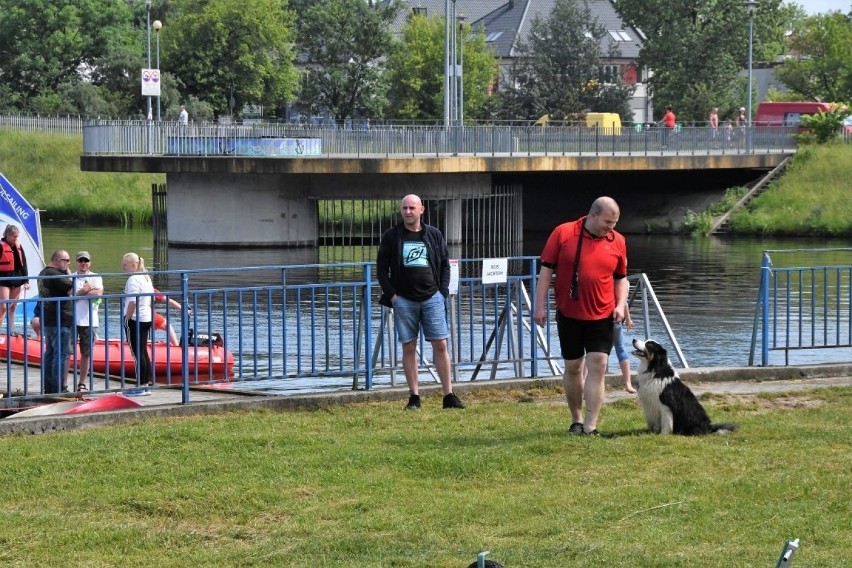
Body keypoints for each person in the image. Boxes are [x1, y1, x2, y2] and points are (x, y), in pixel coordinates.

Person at [533, 196, 628, 436]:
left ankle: (591, 425)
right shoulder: (563, 233)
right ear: (593, 215)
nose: (611, 227)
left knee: (599, 364)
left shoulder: (618, 241)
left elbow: (621, 278)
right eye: (608, 221)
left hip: (602, 314)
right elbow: (545, 271)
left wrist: (620, 305)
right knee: (574, 366)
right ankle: (576, 420)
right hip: (569, 313)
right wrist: (539, 306)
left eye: (615, 222)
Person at [376, 194, 465, 411]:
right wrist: (393, 296)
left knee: (441, 345)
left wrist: (442, 292)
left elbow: (445, 265)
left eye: (412, 208)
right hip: (403, 300)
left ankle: (448, 395)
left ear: (421, 210)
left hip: (432, 297)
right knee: (409, 346)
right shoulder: (391, 236)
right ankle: (414, 397)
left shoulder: (433, 234)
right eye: (404, 208)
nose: (408, 212)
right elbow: (381, 269)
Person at [38, 250, 74, 394]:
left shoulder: (43, 273)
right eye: (67, 260)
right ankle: (59, 388)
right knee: (62, 354)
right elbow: (73, 289)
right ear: (59, 261)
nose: (68, 263)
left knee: (50, 353)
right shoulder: (55, 274)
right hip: (60, 319)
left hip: (48, 318)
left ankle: (49, 387)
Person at [122, 252, 155, 386]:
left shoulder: (133, 279)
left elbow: (132, 302)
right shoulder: (146, 277)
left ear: (133, 265)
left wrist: (126, 319)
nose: (123, 268)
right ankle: (146, 382)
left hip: (136, 319)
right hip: (146, 317)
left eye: (125, 265)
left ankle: (141, 384)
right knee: (143, 351)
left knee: (137, 353)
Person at [72, 251, 103, 390]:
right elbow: (69, 295)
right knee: (67, 352)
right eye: (81, 260)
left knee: (86, 353)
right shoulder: (70, 277)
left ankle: (82, 383)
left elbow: (98, 293)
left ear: (90, 262)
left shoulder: (96, 277)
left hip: (90, 321)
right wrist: (85, 290)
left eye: (86, 260)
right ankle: (63, 383)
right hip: (72, 320)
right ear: (76, 262)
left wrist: (80, 292)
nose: (83, 263)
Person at [0, 224, 30, 331]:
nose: (16, 239)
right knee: (3, 307)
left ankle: (10, 331)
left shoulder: (19, 246)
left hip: (17, 280)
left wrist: (26, 281)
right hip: (3, 280)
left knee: (13, 307)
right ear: (7, 235)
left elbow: (24, 264)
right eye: (14, 236)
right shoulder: (1, 246)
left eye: (17, 236)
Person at [613, 309, 636, 394]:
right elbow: (625, 304)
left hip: (601, 321)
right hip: (616, 321)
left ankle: (584, 382)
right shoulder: (619, 295)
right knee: (621, 349)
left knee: (595, 352)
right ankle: (628, 384)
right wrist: (628, 319)